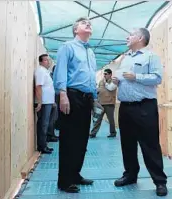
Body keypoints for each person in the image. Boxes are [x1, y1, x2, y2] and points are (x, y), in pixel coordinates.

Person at [112, 28, 168, 196]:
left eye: (131, 34)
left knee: (150, 145)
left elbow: (157, 78)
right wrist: (117, 80)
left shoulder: (151, 57)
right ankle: (130, 175)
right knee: (127, 144)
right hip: (125, 107)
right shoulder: (125, 58)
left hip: (145, 107)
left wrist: (136, 77)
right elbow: (123, 78)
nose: (127, 37)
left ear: (141, 38)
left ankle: (159, 181)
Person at [53, 17, 97, 193]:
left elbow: (91, 76)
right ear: (75, 30)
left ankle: (75, 174)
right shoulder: (67, 47)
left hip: (86, 98)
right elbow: (61, 71)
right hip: (71, 95)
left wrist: (94, 97)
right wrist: (62, 94)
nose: (88, 24)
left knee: (82, 139)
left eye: (89, 24)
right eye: (83, 23)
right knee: (69, 139)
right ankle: (64, 180)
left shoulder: (90, 52)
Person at [34, 54, 55, 154]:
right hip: (44, 102)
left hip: (48, 102)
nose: (48, 62)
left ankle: (44, 144)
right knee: (43, 124)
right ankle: (42, 146)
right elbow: (38, 87)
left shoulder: (45, 72)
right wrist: (39, 102)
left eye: (49, 60)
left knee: (45, 124)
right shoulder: (41, 71)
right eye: (46, 60)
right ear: (41, 62)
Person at [90, 68, 117, 138]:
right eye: (104, 74)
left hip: (109, 104)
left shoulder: (114, 81)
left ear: (110, 74)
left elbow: (111, 88)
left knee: (111, 120)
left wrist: (105, 83)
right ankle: (93, 133)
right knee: (98, 119)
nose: (104, 75)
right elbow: (98, 89)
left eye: (106, 74)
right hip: (100, 104)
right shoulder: (101, 81)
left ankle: (113, 133)